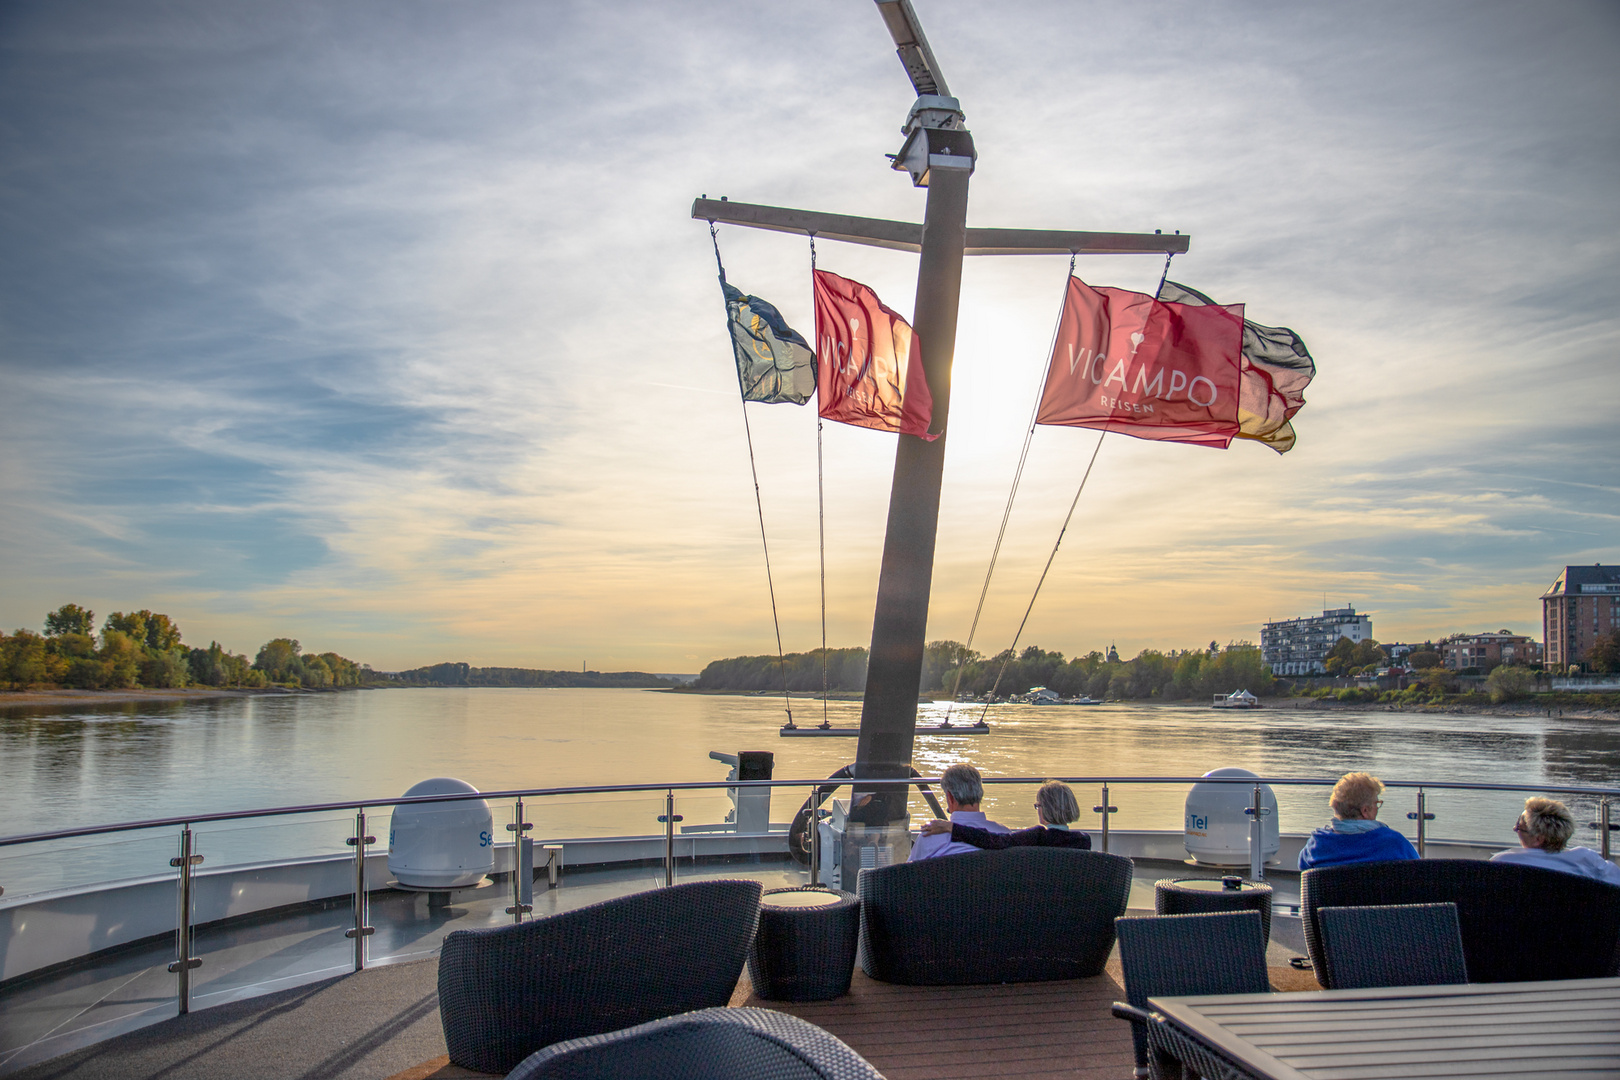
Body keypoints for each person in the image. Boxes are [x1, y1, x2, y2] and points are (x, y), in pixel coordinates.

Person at [920, 779, 1091, 850]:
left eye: (1037, 805)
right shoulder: (1084, 841)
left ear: (1044, 809)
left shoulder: (1036, 837)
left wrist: (951, 827)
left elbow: (993, 840)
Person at [1297, 772, 1419, 870]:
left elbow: (1303, 868)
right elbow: (1419, 871)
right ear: (1365, 811)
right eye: (1376, 803)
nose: (1377, 807)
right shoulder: (1395, 843)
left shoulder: (1316, 845)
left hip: (1333, 901)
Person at [1490, 797, 1620, 885]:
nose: (1515, 828)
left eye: (1519, 826)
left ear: (1538, 839)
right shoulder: (1587, 859)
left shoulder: (1503, 862)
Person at [908, 762, 1009, 860]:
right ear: (980, 794)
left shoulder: (929, 837)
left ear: (950, 798)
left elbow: (910, 873)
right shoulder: (1004, 835)